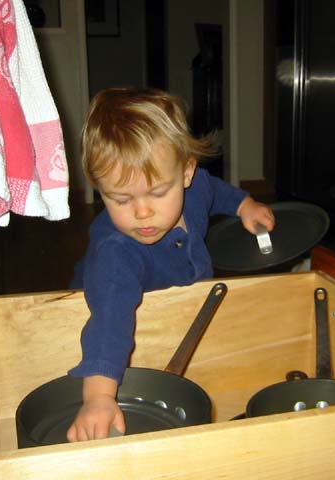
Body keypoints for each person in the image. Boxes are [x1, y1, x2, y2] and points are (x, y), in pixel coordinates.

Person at [66, 87, 275, 442]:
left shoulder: (196, 188)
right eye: (120, 199)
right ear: (99, 188)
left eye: (159, 193)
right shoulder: (116, 253)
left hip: (180, 305)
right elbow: (109, 322)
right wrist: (99, 396)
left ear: (187, 172)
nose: (142, 212)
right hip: (109, 310)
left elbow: (214, 191)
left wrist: (245, 205)